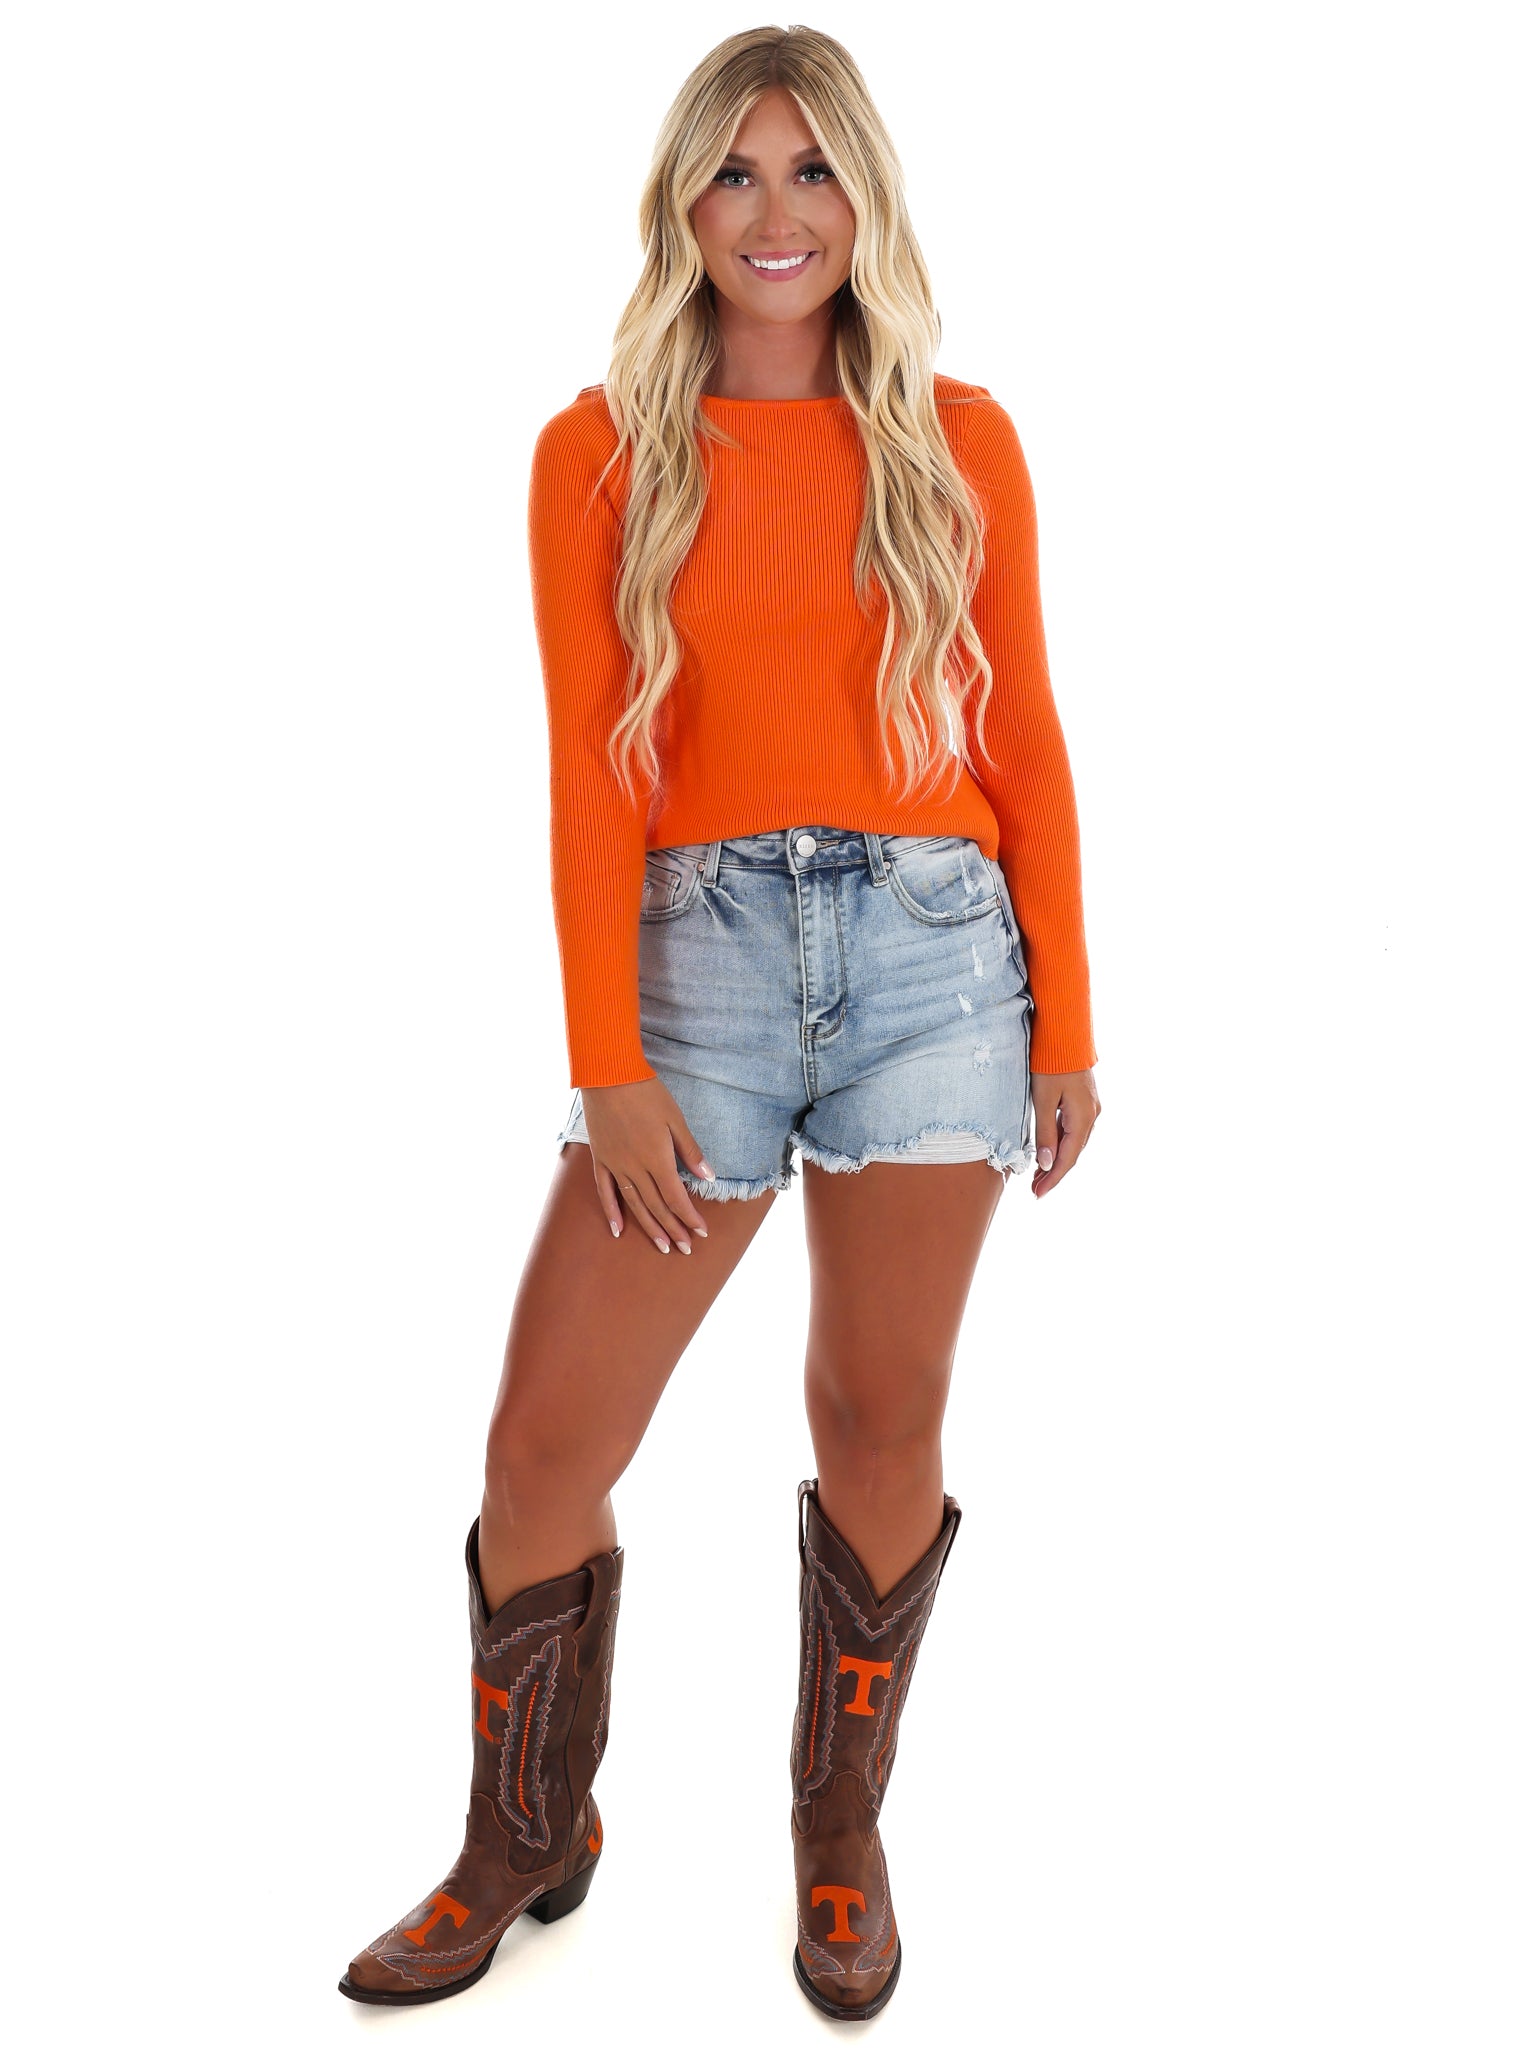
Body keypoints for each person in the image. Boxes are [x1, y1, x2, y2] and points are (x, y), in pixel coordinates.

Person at [339, 23, 1102, 2020]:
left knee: (878, 1414)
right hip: (699, 974)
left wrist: (1067, 1021)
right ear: (682, 205)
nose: (777, 214)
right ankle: (525, 1831)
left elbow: (1025, 742)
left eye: (814, 170)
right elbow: (590, 777)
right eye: (737, 172)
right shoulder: (598, 451)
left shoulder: (962, 440)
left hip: (938, 960)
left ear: (867, 202)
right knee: (543, 1442)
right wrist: (607, 1061)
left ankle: (839, 1838)